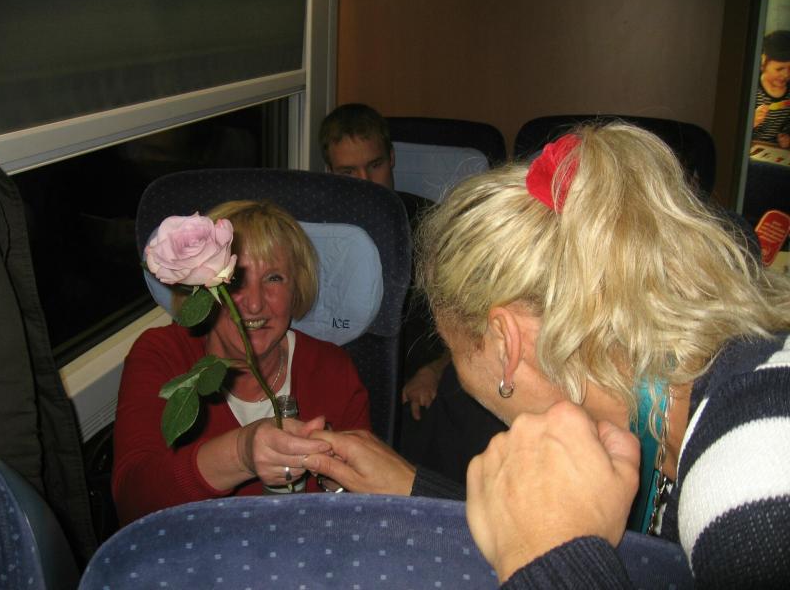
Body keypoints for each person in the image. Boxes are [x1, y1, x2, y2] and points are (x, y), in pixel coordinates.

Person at [303, 122, 790, 587]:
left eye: (455, 351)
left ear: (507, 342)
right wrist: (415, 489)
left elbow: (554, 555)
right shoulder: (676, 408)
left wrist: (541, 559)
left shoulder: (755, 473)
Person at [113, 199, 371, 525]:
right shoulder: (161, 354)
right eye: (235, 281)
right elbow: (132, 503)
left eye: (274, 278)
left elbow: (364, 513)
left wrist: (335, 478)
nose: (255, 304)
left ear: (296, 288)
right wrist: (241, 453)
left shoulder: (333, 368)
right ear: (201, 290)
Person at [319, 103, 506, 482]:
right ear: (330, 175)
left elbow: (477, 321)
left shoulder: (433, 227)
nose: (366, 181)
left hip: (425, 379)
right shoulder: (317, 233)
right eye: (348, 172)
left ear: (391, 158)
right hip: (342, 376)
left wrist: (435, 369)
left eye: (374, 165)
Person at [753, 30, 790, 147]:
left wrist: (787, 136)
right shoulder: (753, 90)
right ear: (763, 63)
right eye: (779, 69)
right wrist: (752, 121)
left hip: (776, 149)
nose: (786, 75)